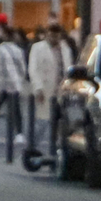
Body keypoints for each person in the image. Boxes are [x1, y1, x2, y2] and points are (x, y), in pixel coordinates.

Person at [0, 23, 30, 160]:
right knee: (16, 110)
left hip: (3, 83)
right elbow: (22, 68)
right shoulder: (18, 50)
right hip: (15, 84)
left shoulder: (0, 49)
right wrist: (20, 80)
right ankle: (19, 133)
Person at [27, 23, 68, 162]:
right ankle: (32, 148)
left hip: (62, 91)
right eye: (51, 35)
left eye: (56, 35)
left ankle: (56, 151)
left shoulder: (65, 48)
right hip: (45, 90)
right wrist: (38, 88)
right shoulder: (37, 48)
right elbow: (33, 69)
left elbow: (68, 68)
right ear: (47, 34)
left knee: (60, 122)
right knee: (42, 121)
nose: (53, 38)